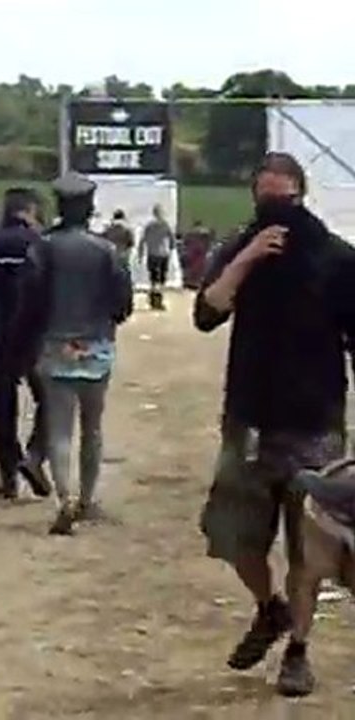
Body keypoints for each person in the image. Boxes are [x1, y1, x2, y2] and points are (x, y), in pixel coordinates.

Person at [194, 152, 355, 697]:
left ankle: (299, 651)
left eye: (283, 198)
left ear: (301, 195)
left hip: (315, 425)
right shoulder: (239, 250)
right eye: (265, 198)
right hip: (249, 419)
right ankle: (270, 609)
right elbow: (206, 313)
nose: (275, 210)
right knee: (231, 535)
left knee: (309, 550)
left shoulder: (335, 258)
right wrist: (245, 261)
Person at [12, 173, 134, 536]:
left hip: (54, 345)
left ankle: (63, 498)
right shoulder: (106, 251)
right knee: (92, 427)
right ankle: (86, 498)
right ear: (90, 208)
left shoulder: (42, 248)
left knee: (59, 428)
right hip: (96, 345)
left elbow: (30, 301)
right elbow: (122, 304)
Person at [0, 187, 52, 501]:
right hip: (36, 337)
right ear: (29, 211)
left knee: (2, 408)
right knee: (52, 400)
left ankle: (8, 474)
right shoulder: (41, 246)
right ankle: (34, 454)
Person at [139, 204, 175, 310]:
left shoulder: (149, 226)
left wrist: (140, 254)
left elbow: (143, 240)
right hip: (163, 254)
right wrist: (172, 248)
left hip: (152, 254)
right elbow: (172, 239)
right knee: (162, 278)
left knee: (154, 278)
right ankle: (158, 299)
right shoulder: (165, 224)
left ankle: (154, 299)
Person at [181, 220, 215, 290]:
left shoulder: (191, 233)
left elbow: (185, 242)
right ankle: (195, 282)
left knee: (191, 267)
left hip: (193, 251)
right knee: (199, 267)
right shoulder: (204, 233)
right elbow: (209, 242)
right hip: (200, 252)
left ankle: (189, 281)